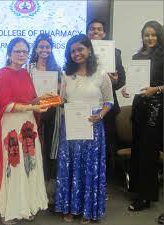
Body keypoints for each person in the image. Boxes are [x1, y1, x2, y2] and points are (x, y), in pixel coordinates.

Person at [0, 37, 48, 225]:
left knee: (29, 164)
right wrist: (32, 107)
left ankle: (26, 206)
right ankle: (7, 209)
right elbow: (6, 105)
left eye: (25, 52)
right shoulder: (3, 74)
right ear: (9, 53)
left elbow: (30, 99)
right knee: (13, 166)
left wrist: (42, 101)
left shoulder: (26, 74)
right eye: (17, 51)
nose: (21, 55)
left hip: (28, 125)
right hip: (11, 127)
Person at [55, 34, 113, 223]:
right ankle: (70, 208)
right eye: (72, 51)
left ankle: (88, 209)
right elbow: (62, 101)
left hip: (92, 126)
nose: (77, 54)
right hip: (70, 127)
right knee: (70, 166)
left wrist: (101, 115)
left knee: (88, 168)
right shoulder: (66, 75)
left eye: (80, 49)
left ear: (89, 50)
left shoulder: (101, 74)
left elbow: (109, 101)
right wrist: (52, 96)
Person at [128, 21, 163, 211]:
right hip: (139, 108)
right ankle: (137, 191)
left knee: (149, 154)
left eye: (153, 35)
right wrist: (128, 90)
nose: (149, 38)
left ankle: (146, 198)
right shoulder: (137, 56)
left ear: (159, 36)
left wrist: (155, 89)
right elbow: (136, 84)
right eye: (146, 35)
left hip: (157, 109)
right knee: (138, 151)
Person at [87, 19, 126, 171]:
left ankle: (104, 181)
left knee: (107, 143)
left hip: (107, 106)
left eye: (99, 29)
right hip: (87, 103)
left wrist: (115, 82)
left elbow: (122, 79)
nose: (95, 31)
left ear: (104, 34)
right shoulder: (80, 51)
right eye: (92, 29)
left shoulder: (115, 53)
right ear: (87, 33)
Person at [29, 33, 62, 204]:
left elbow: (61, 95)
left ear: (51, 49)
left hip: (52, 114)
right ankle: (33, 189)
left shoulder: (57, 68)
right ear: (36, 49)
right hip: (34, 112)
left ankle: (49, 189)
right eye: (41, 46)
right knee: (33, 148)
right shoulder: (29, 68)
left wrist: (57, 91)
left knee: (50, 150)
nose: (44, 50)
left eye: (47, 47)